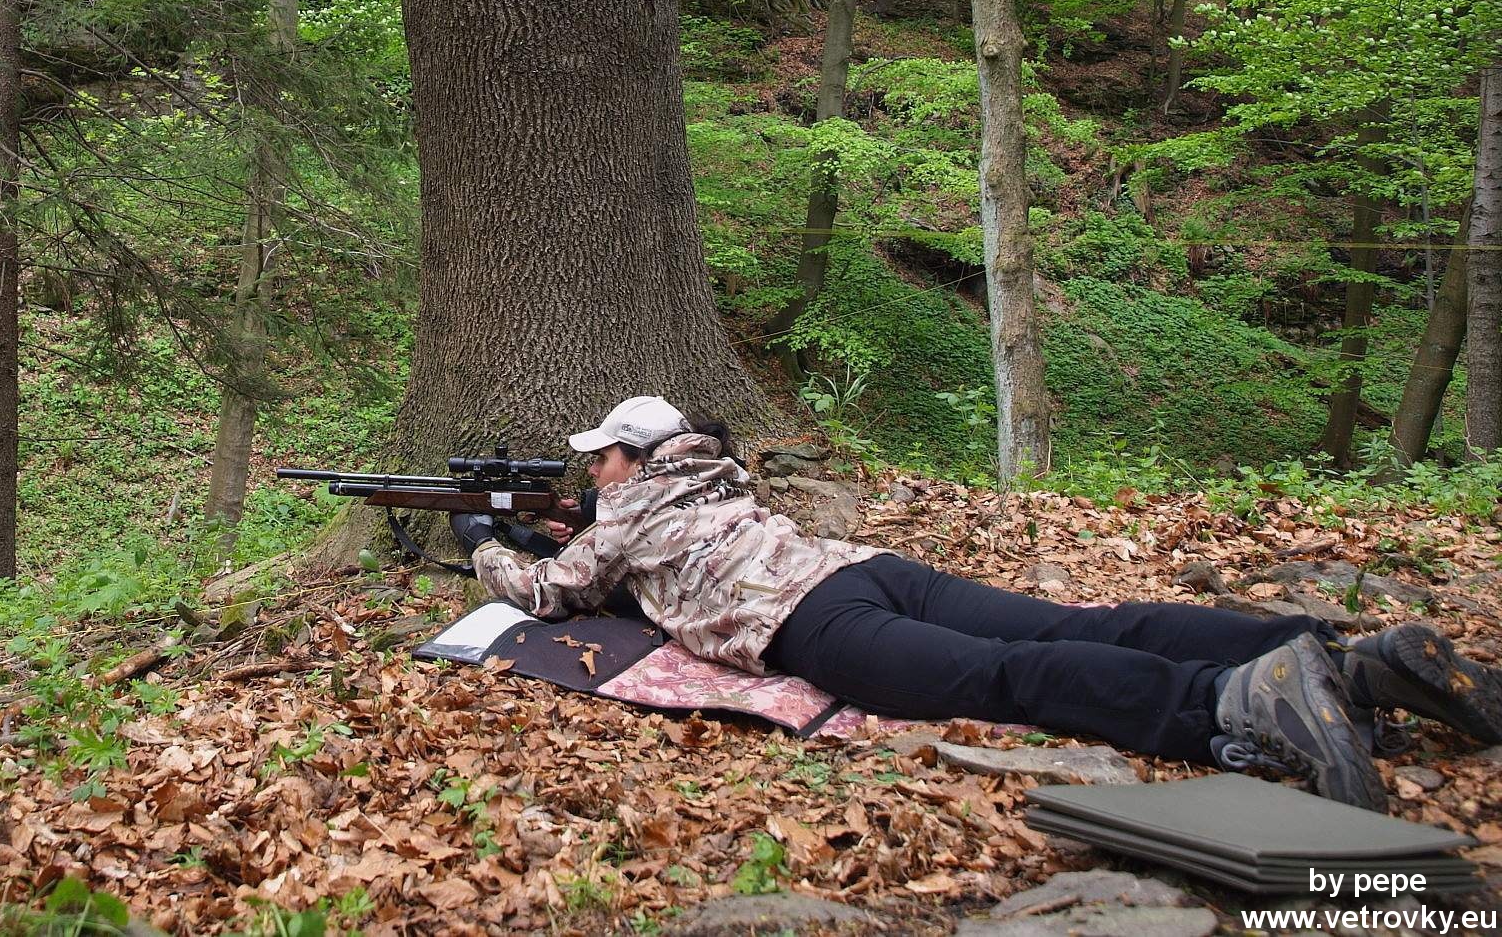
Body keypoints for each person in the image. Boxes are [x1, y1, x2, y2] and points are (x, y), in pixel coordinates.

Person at [452, 396, 1502, 812]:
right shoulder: (712, 476)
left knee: (1004, 679)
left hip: (813, 623)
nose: (593, 471)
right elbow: (638, 554)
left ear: (635, 457)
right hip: (871, 569)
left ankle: (1235, 705)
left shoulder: (629, 509)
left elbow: (550, 592)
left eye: (603, 457)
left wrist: (481, 546)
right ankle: (1335, 656)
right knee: (1077, 623)